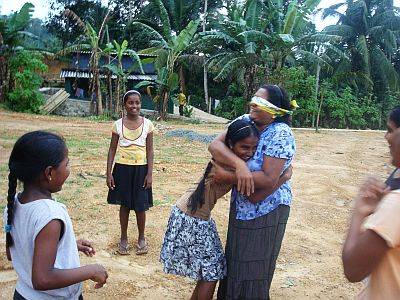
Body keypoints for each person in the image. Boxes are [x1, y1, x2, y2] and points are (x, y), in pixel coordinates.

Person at [160, 118, 293, 300]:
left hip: (192, 215)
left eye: (254, 148)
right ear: (231, 144)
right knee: (212, 273)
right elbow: (254, 196)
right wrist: (283, 177)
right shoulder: (230, 168)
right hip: (192, 219)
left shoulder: (230, 161)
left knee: (210, 269)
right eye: (244, 148)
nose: (250, 153)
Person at [209, 84, 296, 299]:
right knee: (236, 262)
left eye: (260, 102)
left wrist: (229, 175)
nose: (252, 104)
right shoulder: (246, 121)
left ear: (275, 109)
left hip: (267, 209)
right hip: (242, 207)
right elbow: (215, 145)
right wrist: (239, 166)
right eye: (253, 99)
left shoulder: (281, 133)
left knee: (254, 268)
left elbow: (266, 181)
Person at [4, 131, 108, 300]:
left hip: (23, 294)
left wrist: (66, 245)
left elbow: (14, 252)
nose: (69, 169)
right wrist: (91, 270)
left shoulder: (14, 204)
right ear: (49, 172)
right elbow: (42, 279)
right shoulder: (50, 215)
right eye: (67, 164)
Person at [342, 106, 400, 299]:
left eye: (390, 130)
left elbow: (353, 269)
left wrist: (359, 211)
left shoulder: (396, 204)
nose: (386, 137)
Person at [106, 90, 154, 255]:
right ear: (124, 105)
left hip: (141, 170)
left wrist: (150, 174)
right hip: (122, 169)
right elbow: (112, 149)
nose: (134, 106)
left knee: (141, 206)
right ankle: (124, 238)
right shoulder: (117, 125)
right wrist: (109, 173)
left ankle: (141, 238)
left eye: (137, 102)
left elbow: (150, 151)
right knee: (124, 205)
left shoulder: (148, 124)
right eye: (130, 103)